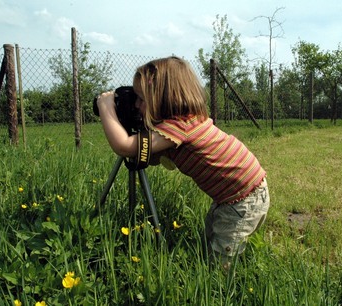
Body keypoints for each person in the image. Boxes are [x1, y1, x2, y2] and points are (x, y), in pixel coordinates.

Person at [96, 56, 270, 270]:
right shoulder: (185, 121)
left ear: (163, 99)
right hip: (236, 195)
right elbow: (152, 156)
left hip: (243, 200)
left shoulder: (178, 127)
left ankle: (223, 290)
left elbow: (125, 146)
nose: (137, 105)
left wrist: (106, 107)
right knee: (212, 240)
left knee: (221, 261)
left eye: (141, 99)